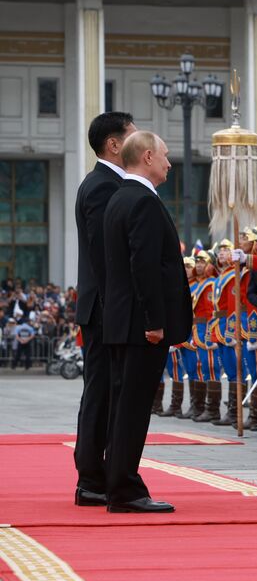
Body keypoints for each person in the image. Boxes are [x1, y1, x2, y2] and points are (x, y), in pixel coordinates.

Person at [102, 131, 192, 514]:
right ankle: (125, 489)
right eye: (166, 156)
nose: (170, 164)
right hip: (143, 326)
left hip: (124, 321)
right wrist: (156, 321)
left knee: (125, 406)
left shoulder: (119, 199)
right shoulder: (142, 201)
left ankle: (119, 483)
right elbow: (145, 266)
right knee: (134, 408)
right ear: (148, 156)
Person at [72, 110, 136, 508]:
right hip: (104, 310)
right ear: (113, 145)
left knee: (108, 392)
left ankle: (97, 475)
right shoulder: (102, 187)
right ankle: (92, 478)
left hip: (105, 308)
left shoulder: (110, 184)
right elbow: (104, 255)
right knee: (101, 393)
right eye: (131, 136)